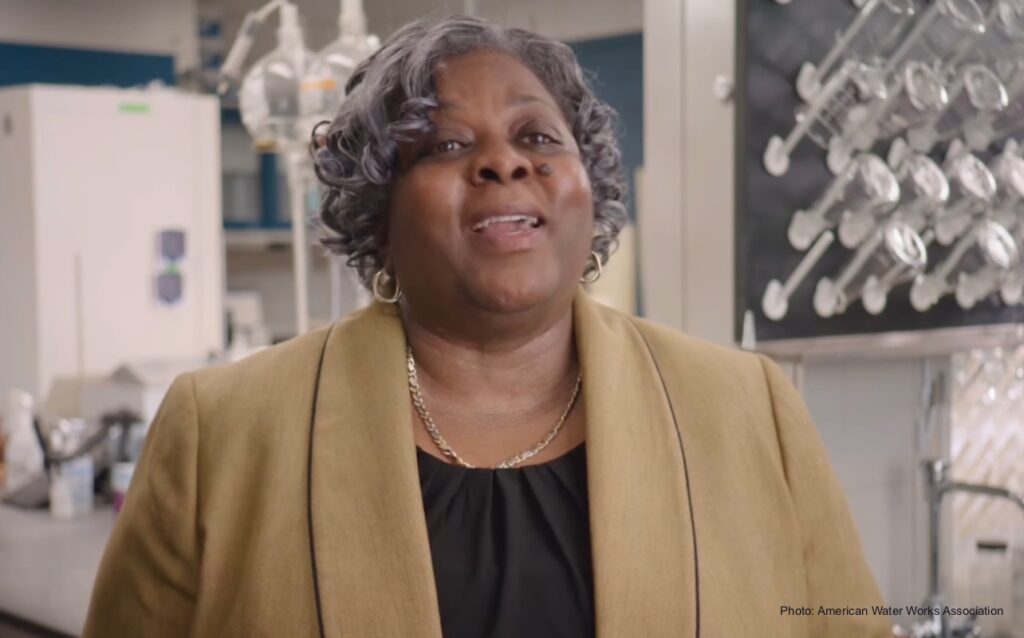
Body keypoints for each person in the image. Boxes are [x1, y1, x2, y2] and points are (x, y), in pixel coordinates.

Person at [84, 14, 893, 638]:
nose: (505, 162)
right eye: (446, 144)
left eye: (538, 136)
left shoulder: (749, 408)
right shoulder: (221, 433)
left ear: (589, 189)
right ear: (378, 215)